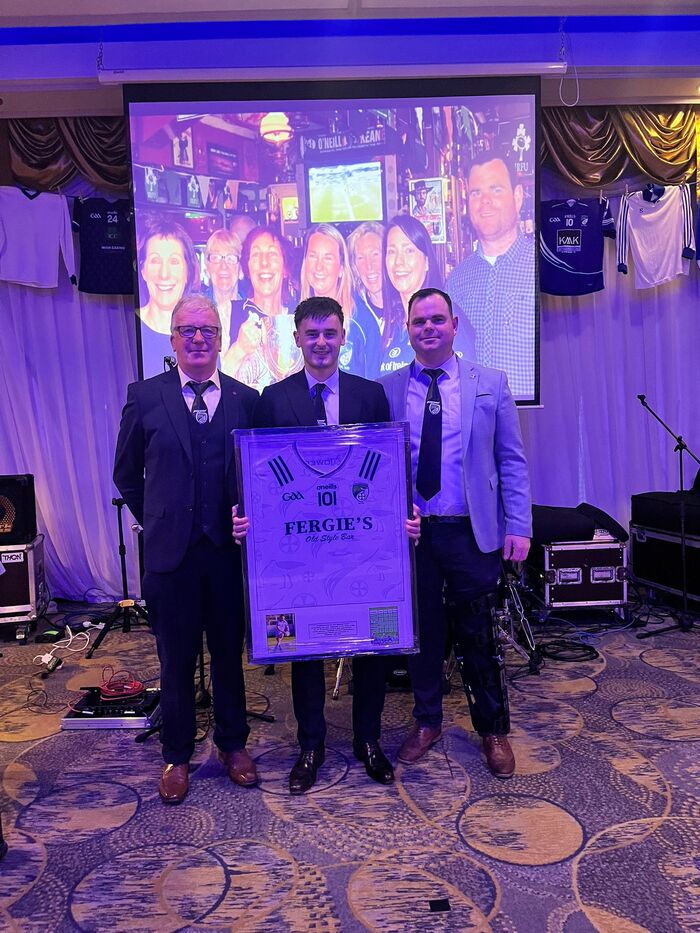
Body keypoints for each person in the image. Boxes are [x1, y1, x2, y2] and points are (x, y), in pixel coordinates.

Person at [237, 295, 420, 794]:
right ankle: (311, 745)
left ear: (342, 337)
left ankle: (368, 740)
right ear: (297, 338)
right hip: (300, 552)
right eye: (312, 334)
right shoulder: (273, 399)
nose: (321, 343)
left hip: (363, 548)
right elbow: (261, 476)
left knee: (372, 646)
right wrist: (249, 518)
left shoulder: (369, 395)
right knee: (304, 649)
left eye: (330, 333)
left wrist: (402, 516)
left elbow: (385, 470)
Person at [113, 294, 259, 805]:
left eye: (208, 330)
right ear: (172, 339)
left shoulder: (246, 398)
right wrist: (159, 519)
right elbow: (126, 474)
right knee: (174, 660)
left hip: (226, 554)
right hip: (169, 558)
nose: (198, 339)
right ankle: (176, 755)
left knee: (228, 657)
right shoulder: (144, 397)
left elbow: (258, 475)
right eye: (187, 330)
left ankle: (232, 745)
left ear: (221, 338)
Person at [381, 287, 531, 779]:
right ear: (407, 329)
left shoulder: (491, 382)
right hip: (412, 537)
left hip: (472, 533)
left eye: (436, 320)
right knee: (422, 636)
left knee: (478, 635)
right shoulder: (385, 389)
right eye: (419, 321)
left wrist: (519, 525)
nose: (428, 328)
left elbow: (511, 460)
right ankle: (427, 721)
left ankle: (493, 730)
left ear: (454, 326)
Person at [446, 154, 535, 399]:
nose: (485, 201)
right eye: (476, 192)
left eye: (495, 189)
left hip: (528, 416)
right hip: (471, 417)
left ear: (517, 197)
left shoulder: (542, 269)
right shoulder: (456, 282)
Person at [221, 226, 301, 390]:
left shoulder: (300, 319)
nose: (264, 263)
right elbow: (211, 384)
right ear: (248, 268)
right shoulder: (226, 315)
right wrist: (238, 350)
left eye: (272, 254)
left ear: (285, 269)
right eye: (256, 254)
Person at [300, 224, 367, 377]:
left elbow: (374, 385)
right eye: (313, 256)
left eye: (328, 258)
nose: (319, 267)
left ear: (341, 268)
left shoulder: (362, 322)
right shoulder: (294, 319)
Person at [381, 215, 443, 376]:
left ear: (427, 262)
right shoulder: (393, 324)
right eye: (391, 251)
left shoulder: (443, 321)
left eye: (409, 250)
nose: (398, 261)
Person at [137, 214, 199, 334]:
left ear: (188, 272)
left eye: (174, 261)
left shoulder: (203, 332)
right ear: (143, 270)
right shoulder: (126, 326)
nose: (164, 274)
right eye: (155, 260)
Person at [347, 221, 384, 379]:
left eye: (375, 254)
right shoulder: (350, 314)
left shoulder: (407, 309)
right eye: (361, 258)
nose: (369, 266)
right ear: (354, 266)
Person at [203, 229, 243, 356]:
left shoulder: (252, 313)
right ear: (207, 268)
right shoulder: (196, 312)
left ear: (241, 270)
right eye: (216, 258)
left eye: (231, 258)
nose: (223, 266)